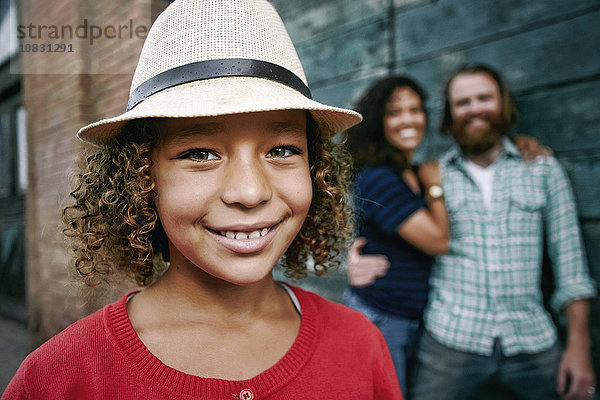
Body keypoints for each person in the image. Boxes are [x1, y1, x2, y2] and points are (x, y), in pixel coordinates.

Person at [2, 1, 402, 399]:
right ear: (141, 178)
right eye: (199, 153)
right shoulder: (58, 378)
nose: (250, 192)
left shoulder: (360, 345)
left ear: (316, 169)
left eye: (281, 150)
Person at [407, 64, 597, 400]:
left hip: (531, 337)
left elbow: (571, 262)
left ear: (503, 104)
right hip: (449, 338)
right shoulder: (433, 176)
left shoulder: (542, 169)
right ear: (450, 115)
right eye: (462, 102)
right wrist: (355, 260)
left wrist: (579, 345)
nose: (475, 108)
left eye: (484, 98)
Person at [343, 76, 449, 393]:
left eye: (415, 109)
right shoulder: (379, 178)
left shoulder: (411, 172)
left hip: (410, 316)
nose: (408, 119)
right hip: (383, 315)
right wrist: (434, 186)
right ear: (379, 122)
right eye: (394, 112)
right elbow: (438, 241)